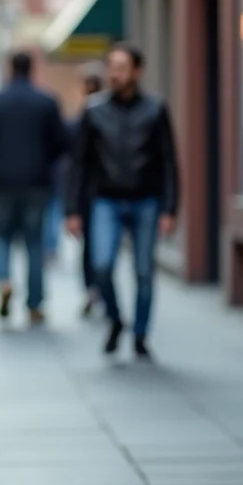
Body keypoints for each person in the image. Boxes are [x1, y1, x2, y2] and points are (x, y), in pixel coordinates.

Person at [66, 43, 179, 359]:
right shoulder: (93, 110)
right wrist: (72, 209)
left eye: (121, 67)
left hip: (146, 201)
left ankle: (140, 334)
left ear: (137, 72)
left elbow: (169, 162)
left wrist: (170, 208)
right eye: (111, 67)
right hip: (106, 202)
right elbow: (79, 164)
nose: (114, 74)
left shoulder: (156, 109)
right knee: (101, 265)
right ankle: (115, 320)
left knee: (144, 271)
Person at [0, 51, 69, 324]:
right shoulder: (47, 102)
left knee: (0, 236)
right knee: (34, 243)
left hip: (2, 183)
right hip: (37, 183)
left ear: (10, 68)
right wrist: (43, 162)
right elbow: (61, 143)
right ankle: (34, 303)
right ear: (32, 68)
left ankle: (4, 281)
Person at [74, 66, 104, 316]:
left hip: (98, 193)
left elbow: (76, 163)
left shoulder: (88, 115)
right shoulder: (89, 116)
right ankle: (97, 290)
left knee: (92, 246)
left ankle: (93, 289)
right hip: (98, 192)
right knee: (99, 246)